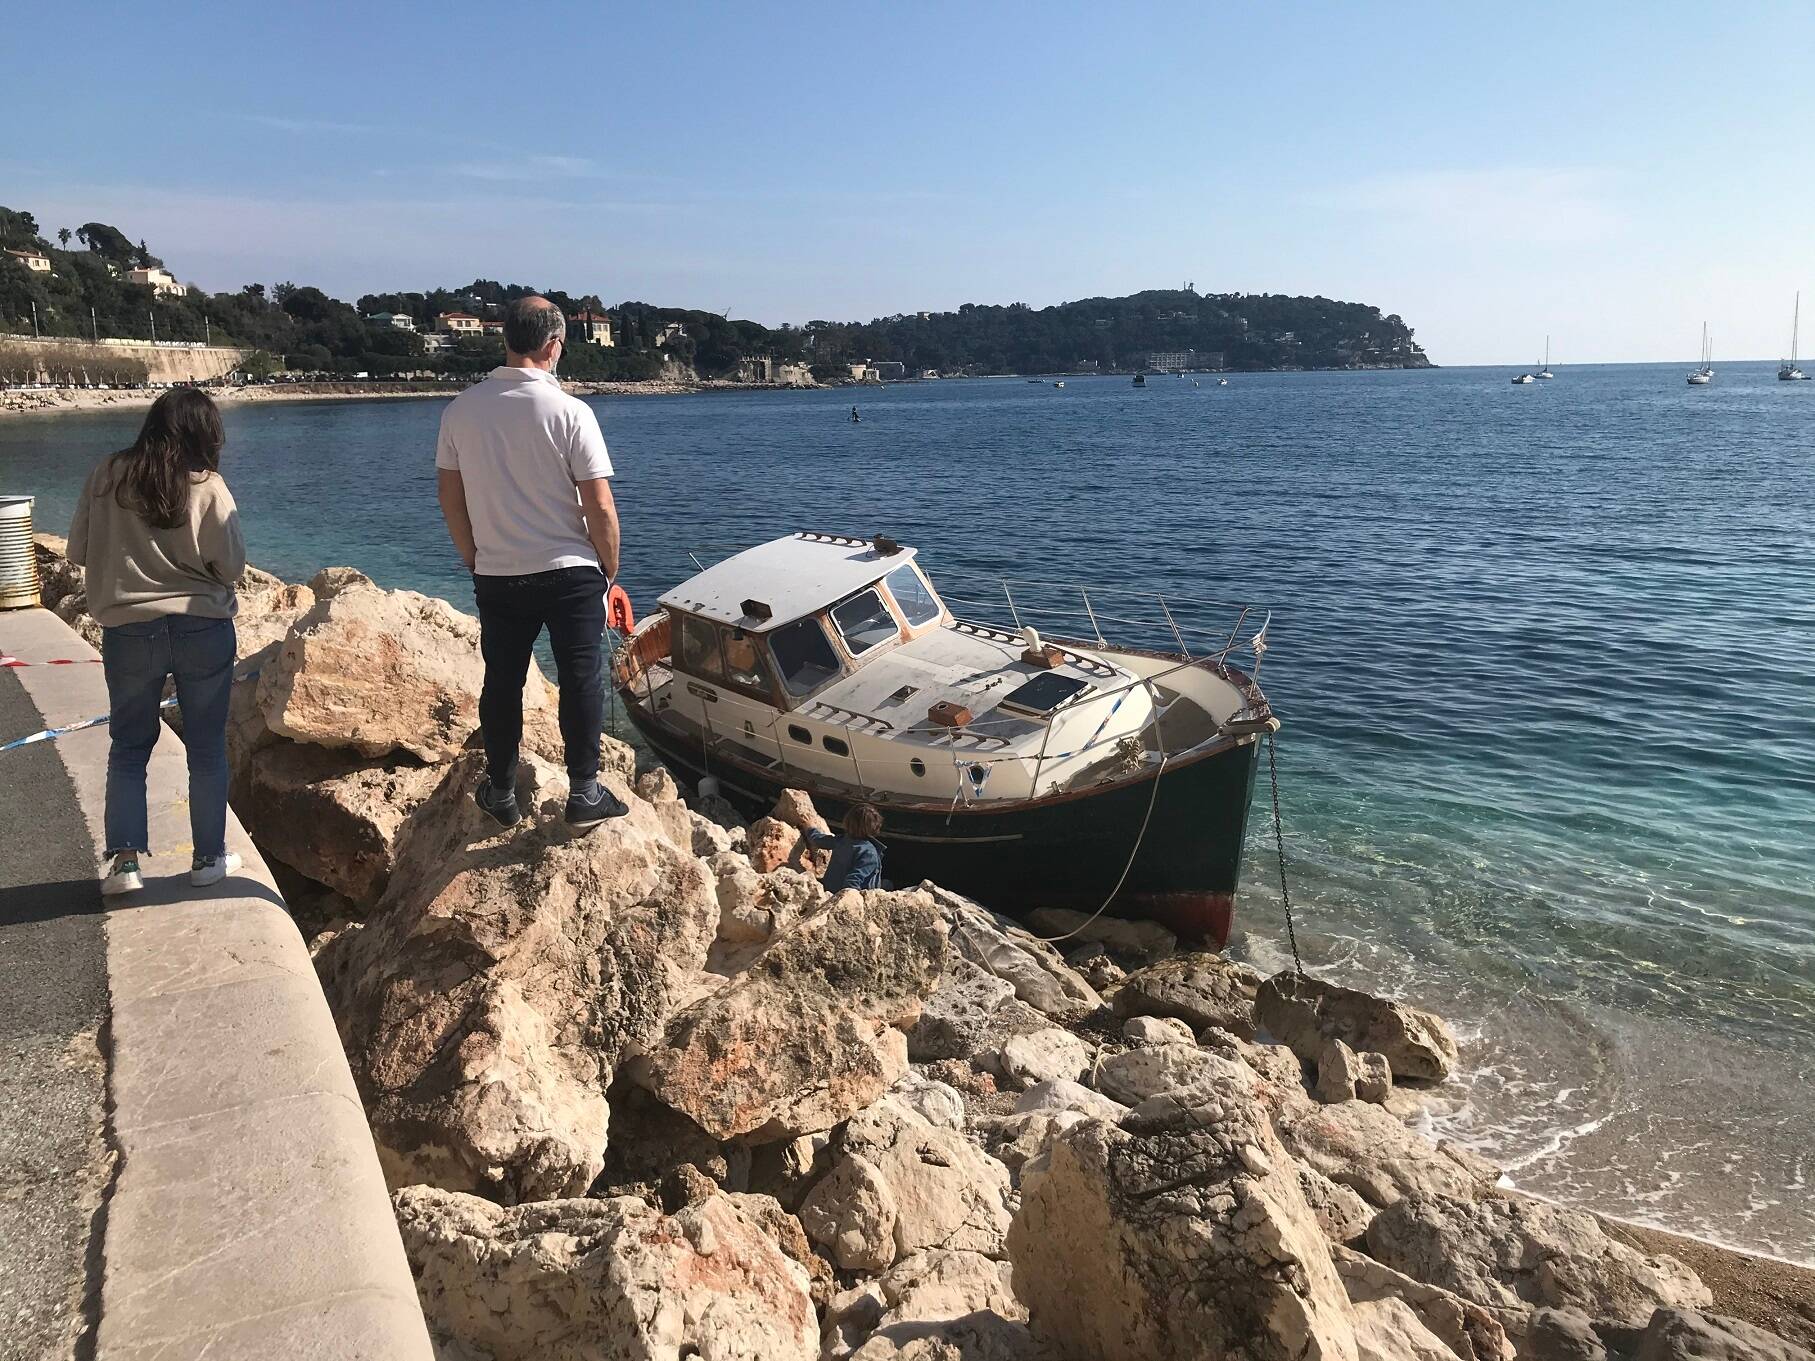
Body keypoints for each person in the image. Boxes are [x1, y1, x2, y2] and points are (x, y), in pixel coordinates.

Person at [436, 295, 628, 830]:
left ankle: (500, 792)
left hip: (497, 573)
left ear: (506, 339)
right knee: (581, 678)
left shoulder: (460, 411)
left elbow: (450, 499)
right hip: (570, 572)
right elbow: (601, 506)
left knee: (502, 682)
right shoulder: (570, 412)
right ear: (553, 345)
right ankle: (584, 795)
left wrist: (475, 557)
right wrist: (608, 571)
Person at [67, 389, 246, 895]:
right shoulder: (207, 486)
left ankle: (125, 865)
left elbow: (79, 551)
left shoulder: (106, 475)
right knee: (207, 747)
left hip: (129, 630)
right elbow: (230, 565)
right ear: (203, 434)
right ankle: (208, 859)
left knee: (127, 745)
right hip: (201, 627)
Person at [806, 803, 886, 891]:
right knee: (888, 884)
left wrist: (810, 829)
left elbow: (819, 840)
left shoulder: (841, 840)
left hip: (828, 890)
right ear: (875, 827)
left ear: (847, 821)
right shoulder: (869, 853)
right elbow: (852, 881)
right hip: (847, 897)